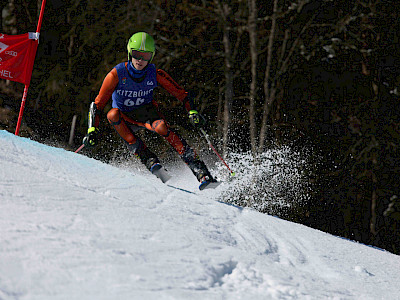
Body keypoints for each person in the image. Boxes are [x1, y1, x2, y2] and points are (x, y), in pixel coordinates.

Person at [83, 32, 216, 189]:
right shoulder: (116, 74)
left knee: (162, 128)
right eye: (136, 54)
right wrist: (92, 129)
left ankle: (201, 172)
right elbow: (97, 105)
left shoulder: (155, 74)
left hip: (146, 114)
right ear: (129, 53)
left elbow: (183, 95)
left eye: (145, 56)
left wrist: (192, 111)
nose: (140, 60)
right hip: (124, 117)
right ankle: (150, 161)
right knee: (111, 114)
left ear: (151, 57)